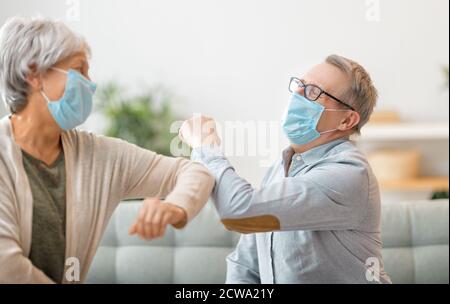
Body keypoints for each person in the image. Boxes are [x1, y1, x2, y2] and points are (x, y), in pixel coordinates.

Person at [0, 16, 214, 283]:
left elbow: (195, 172)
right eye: (79, 69)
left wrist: (175, 207)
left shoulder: (98, 156)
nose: (91, 84)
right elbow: (6, 266)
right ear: (34, 74)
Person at [176, 55, 392, 283]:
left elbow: (239, 211)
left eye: (314, 92)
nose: (297, 94)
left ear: (346, 121)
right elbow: (245, 264)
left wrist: (206, 145)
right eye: (300, 84)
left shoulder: (349, 173)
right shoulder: (280, 168)